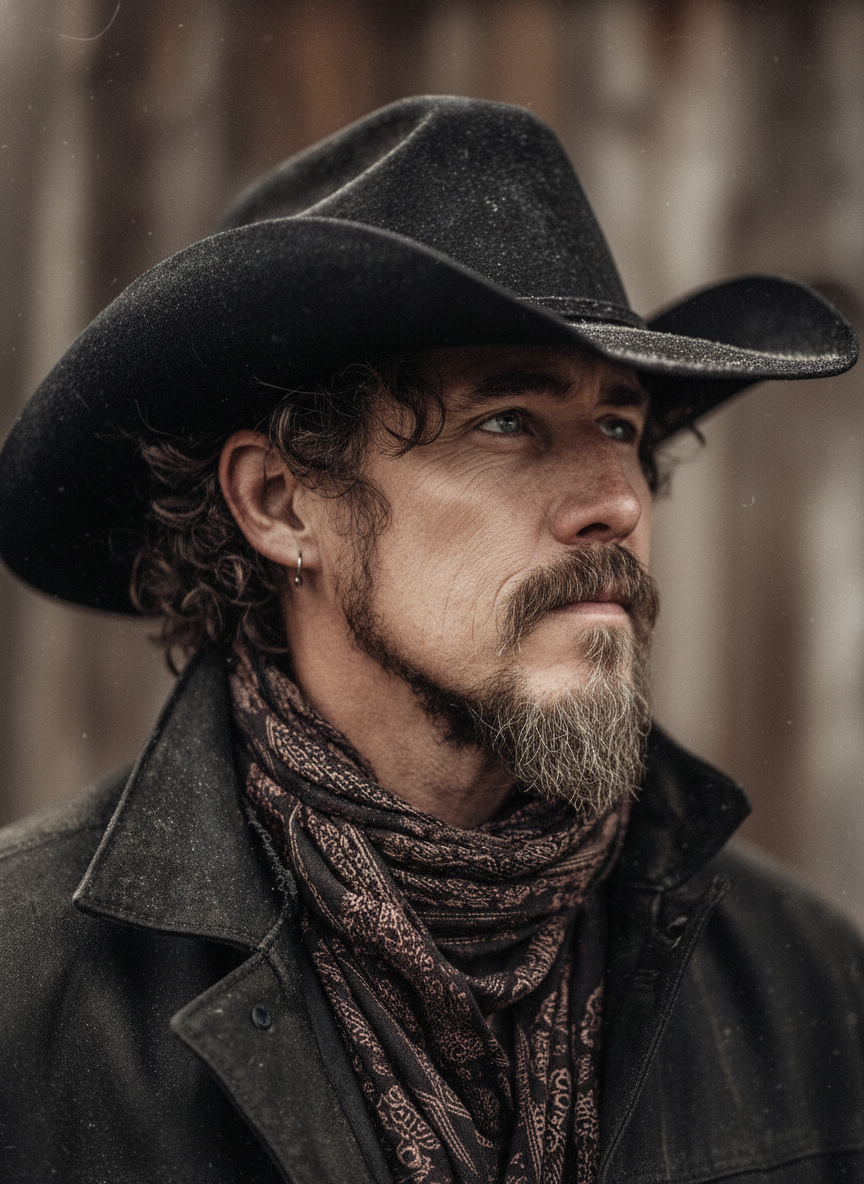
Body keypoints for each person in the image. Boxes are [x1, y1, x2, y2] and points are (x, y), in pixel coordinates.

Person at [0, 95, 861, 1184]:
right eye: (507, 421)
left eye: (621, 425)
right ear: (281, 503)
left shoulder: (813, 991)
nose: (616, 502)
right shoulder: (30, 995)